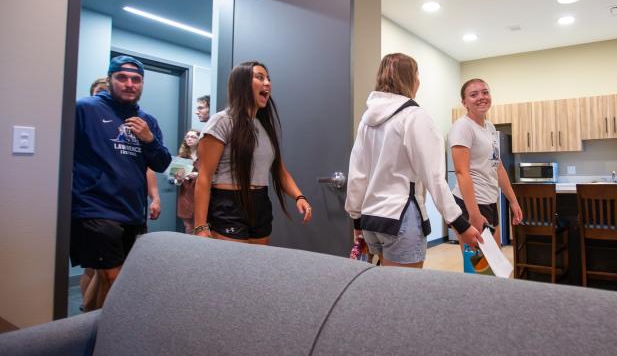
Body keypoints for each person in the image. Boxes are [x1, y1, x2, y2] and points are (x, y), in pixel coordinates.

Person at [345, 53, 482, 268]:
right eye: (417, 75)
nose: (419, 81)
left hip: (371, 220)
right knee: (403, 297)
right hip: (400, 218)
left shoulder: (367, 120)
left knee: (385, 293)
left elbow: (357, 173)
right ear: (409, 78)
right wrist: (460, 224)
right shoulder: (414, 116)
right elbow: (434, 178)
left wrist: (356, 219)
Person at [71, 56, 171, 311]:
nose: (129, 84)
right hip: (95, 208)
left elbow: (161, 163)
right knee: (112, 277)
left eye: (136, 79)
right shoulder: (85, 109)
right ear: (110, 79)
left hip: (132, 211)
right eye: (122, 78)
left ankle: (86, 329)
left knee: (113, 277)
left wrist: (150, 140)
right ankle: (108, 336)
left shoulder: (148, 120)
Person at [193, 61, 312, 244]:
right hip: (228, 205)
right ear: (241, 83)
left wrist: (299, 196)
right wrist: (200, 227)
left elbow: (279, 170)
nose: (267, 83)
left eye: (268, 79)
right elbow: (204, 177)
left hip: (260, 204)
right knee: (233, 269)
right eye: (260, 77)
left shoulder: (263, 126)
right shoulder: (222, 121)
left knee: (257, 268)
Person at [450, 79, 522, 254]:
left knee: (493, 259)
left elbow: (498, 166)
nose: (481, 97)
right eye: (473, 95)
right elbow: (461, 172)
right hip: (471, 204)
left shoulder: (489, 127)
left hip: (489, 201)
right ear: (464, 102)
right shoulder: (463, 127)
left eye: (485, 92)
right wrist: (474, 214)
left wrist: (513, 201)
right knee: (480, 266)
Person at [176, 129, 200, 233]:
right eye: (187, 137)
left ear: (200, 139)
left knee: (201, 226)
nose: (189, 139)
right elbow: (177, 182)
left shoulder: (204, 156)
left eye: (193, 137)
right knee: (188, 227)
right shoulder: (181, 157)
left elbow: (213, 175)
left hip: (200, 192)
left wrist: (198, 175)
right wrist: (178, 179)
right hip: (186, 195)